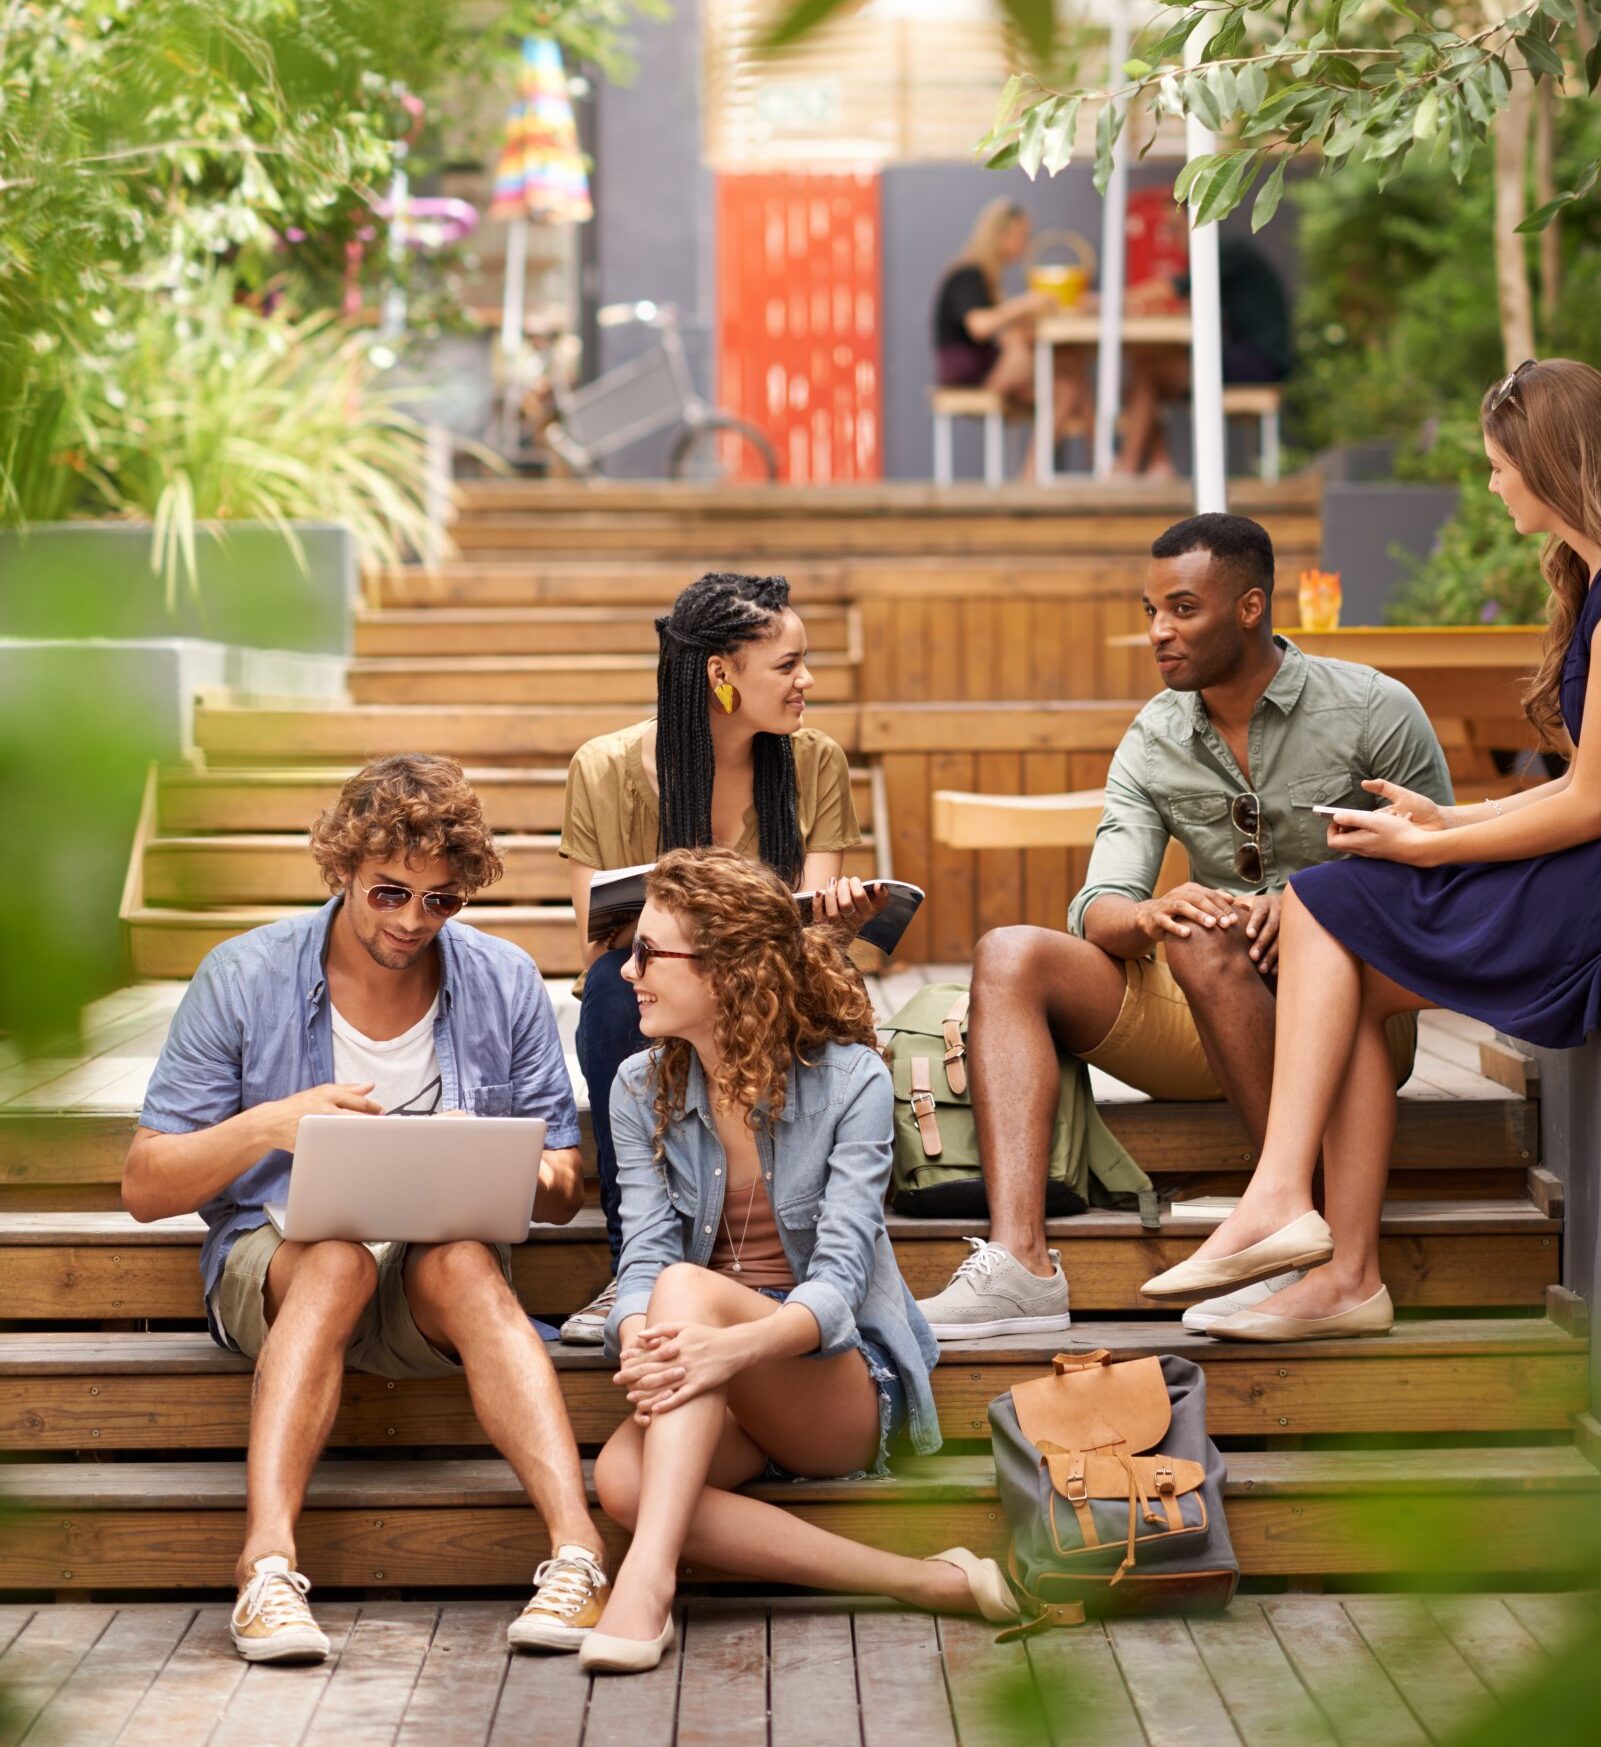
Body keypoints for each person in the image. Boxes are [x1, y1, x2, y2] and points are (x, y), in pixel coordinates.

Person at [1144, 359, 1601, 1339]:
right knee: (1347, 963)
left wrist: (1429, 851)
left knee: (1328, 896)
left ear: (1549, 465)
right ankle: (1343, 1274)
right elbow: (1586, 789)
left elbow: (1593, 804)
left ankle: (1283, 1201)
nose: (1492, 486)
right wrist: (1443, 822)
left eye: (1498, 467)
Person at [913, 512, 1454, 1341]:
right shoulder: (1154, 736)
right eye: (1150, 612)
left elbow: (1441, 874)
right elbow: (1097, 907)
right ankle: (1020, 1265)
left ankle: (1304, 1243)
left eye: (1182, 609)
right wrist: (1147, 911)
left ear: (1249, 607)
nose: (1159, 633)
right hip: (1203, 1010)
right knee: (1013, 953)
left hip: (1355, 1023)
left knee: (1225, 937)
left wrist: (1315, 900)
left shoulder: (1375, 708)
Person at [125, 755, 609, 1662]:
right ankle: (266, 1570)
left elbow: (563, 1183)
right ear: (340, 868)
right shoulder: (244, 974)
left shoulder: (502, 980)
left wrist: (530, 1174)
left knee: (465, 1257)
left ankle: (578, 1555)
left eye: (440, 901)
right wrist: (271, 1123)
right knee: (337, 1254)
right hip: (277, 1267)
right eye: (389, 893)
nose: (412, 921)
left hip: (435, 1279)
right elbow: (146, 1185)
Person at [582, 848, 1019, 1672]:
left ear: (726, 971)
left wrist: (722, 1344)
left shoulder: (850, 1080)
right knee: (622, 1483)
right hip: (716, 1376)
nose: (626, 971)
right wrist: (638, 1331)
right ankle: (921, 1581)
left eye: (647, 952)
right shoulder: (641, 1086)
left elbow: (840, 1286)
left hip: (835, 1380)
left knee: (685, 1288)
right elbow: (640, 1252)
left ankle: (646, 1585)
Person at [559, 572, 879, 1343]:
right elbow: (601, 933)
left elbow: (809, 946)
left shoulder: (814, 761)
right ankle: (630, 1268)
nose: (807, 681)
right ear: (721, 673)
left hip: (776, 993)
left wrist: (840, 920)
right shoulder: (604, 768)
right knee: (610, 985)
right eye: (788, 664)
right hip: (662, 992)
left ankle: (804, 1242)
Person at [1120, 212, 1292, 477]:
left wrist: (1108, 303)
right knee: (1147, 368)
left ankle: (1130, 467)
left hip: (1261, 360)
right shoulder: (1225, 255)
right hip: (1248, 355)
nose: (1171, 238)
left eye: (1175, 228)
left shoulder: (1226, 250)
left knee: (1148, 371)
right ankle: (1156, 464)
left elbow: (1174, 288)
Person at [932, 197, 1090, 472]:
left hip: (987, 366)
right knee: (1068, 367)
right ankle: (1103, 457)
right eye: (1022, 236)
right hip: (970, 372)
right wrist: (1025, 304)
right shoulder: (969, 273)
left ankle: (1035, 474)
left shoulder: (988, 277)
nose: (1025, 245)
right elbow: (979, 326)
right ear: (1001, 235)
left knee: (1067, 384)